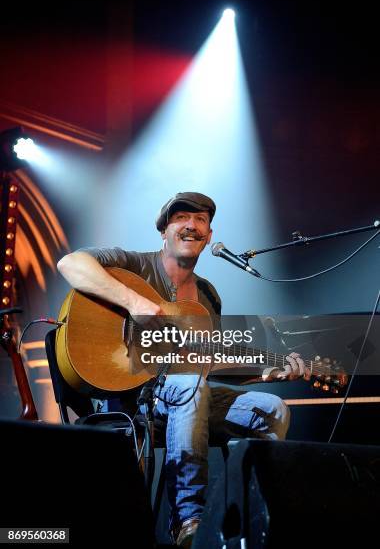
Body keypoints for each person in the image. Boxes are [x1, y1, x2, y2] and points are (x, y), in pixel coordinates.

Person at [57, 192, 309, 547]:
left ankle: (242, 515)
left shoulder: (207, 296)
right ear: (164, 230)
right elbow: (70, 264)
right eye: (181, 217)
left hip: (190, 396)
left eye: (201, 219)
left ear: (208, 235)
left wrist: (266, 370)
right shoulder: (133, 265)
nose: (191, 225)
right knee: (189, 384)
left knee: (270, 409)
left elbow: (207, 363)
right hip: (134, 401)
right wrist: (135, 302)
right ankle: (188, 521)